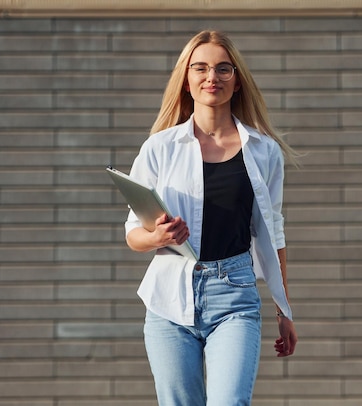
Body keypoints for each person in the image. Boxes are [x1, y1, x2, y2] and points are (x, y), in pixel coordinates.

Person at [124, 30, 298, 406]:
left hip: (235, 295)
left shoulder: (265, 152)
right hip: (169, 298)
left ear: (237, 82)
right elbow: (133, 234)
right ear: (186, 81)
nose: (211, 77)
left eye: (223, 69)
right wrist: (157, 238)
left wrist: (284, 309)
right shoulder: (160, 148)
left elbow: (273, 231)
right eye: (200, 68)